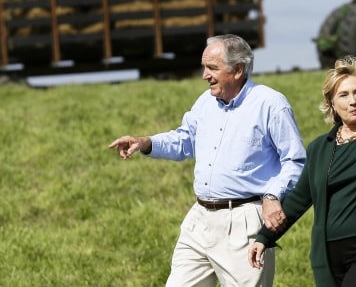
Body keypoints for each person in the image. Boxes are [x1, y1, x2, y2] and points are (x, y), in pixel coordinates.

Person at [109, 34, 306, 286]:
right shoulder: (205, 102)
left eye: (212, 68)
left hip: (244, 225)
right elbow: (184, 140)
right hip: (199, 220)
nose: (204, 75)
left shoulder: (270, 104)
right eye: (204, 67)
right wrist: (147, 142)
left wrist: (273, 196)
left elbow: (295, 160)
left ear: (237, 70)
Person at [248, 21, 356, 286]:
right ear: (332, 104)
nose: (353, 101)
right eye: (344, 95)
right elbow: (297, 201)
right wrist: (264, 238)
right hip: (328, 255)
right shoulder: (319, 148)